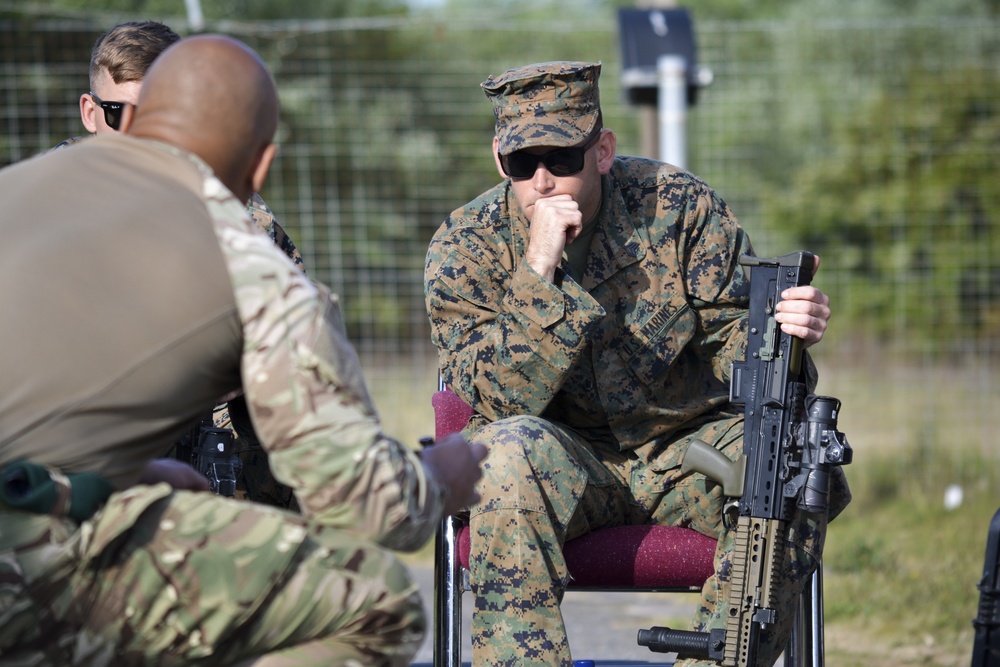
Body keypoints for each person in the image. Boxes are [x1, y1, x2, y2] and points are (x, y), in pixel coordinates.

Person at [0, 34, 487, 666]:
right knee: (375, 599)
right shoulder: (252, 269)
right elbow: (369, 506)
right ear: (260, 165)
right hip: (24, 566)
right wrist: (436, 481)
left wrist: (131, 476)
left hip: (37, 495)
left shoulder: (21, 188)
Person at [424, 61, 851, 667]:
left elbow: (741, 355)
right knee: (502, 456)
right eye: (523, 164)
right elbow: (499, 401)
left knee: (796, 465)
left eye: (562, 158)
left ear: (602, 151)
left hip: (687, 445)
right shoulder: (466, 246)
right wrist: (538, 270)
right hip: (562, 455)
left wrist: (788, 335)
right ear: (500, 161)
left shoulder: (679, 210)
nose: (542, 182)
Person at [58, 20, 304, 508]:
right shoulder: (46, 207)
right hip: (91, 464)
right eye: (118, 114)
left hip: (223, 468)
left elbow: (293, 342)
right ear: (90, 112)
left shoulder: (240, 211)